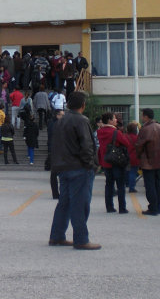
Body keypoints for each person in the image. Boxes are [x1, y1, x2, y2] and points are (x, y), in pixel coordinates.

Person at [48, 91, 101, 250]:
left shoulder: (60, 121)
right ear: (83, 105)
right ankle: (81, 239)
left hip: (63, 167)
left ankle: (57, 236)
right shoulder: (81, 120)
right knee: (80, 204)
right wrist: (91, 165)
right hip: (79, 167)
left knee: (64, 203)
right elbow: (87, 145)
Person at [135, 109, 160, 216]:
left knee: (150, 184)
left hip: (149, 160)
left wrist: (139, 155)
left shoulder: (145, 129)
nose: (141, 117)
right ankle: (158, 205)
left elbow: (139, 145)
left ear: (146, 117)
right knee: (157, 183)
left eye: (142, 116)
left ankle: (153, 207)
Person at [97, 112, 133, 214]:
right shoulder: (115, 132)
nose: (116, 120)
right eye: (114, 118)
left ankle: (109, 207)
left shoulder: (100, 132)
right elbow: (127, 143)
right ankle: (122, 207)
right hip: (117, 161)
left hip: (106, 161)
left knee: (109, 184)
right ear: (109, 120)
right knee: (120, 185)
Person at [47, 110, 64, 199]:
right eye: (62, 115)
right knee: (57, 173)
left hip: (55, 149)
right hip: (56, 150)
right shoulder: (55, 124)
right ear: (57, 115)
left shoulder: (53, 123)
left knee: (55, 173)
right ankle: (57, 193)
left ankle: (56, 193)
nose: (63, 117)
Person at [125, 122, 140, 193]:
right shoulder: (137, 137)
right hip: (134, 157)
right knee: (133, 172)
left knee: (127, 171)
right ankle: (132, 187)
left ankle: (127, 183)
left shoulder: (125, 136)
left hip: (126, 156)